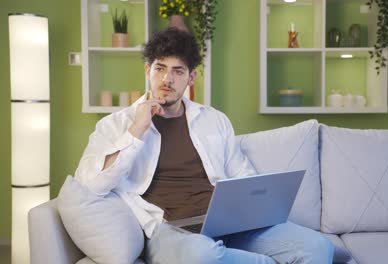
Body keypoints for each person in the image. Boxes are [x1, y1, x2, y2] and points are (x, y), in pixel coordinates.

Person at [74, 27, 334, 264]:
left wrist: (255, 207)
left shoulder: (213, 119)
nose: (167, 79)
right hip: (170, 230)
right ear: (147, 70)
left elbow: (242, 174)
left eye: (178, 71)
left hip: (228, 222)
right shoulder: (116, 125)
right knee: (202, 256)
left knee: (318, 248)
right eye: (160, 68)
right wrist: (136, 130)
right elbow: (91, 184)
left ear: (191, 78)